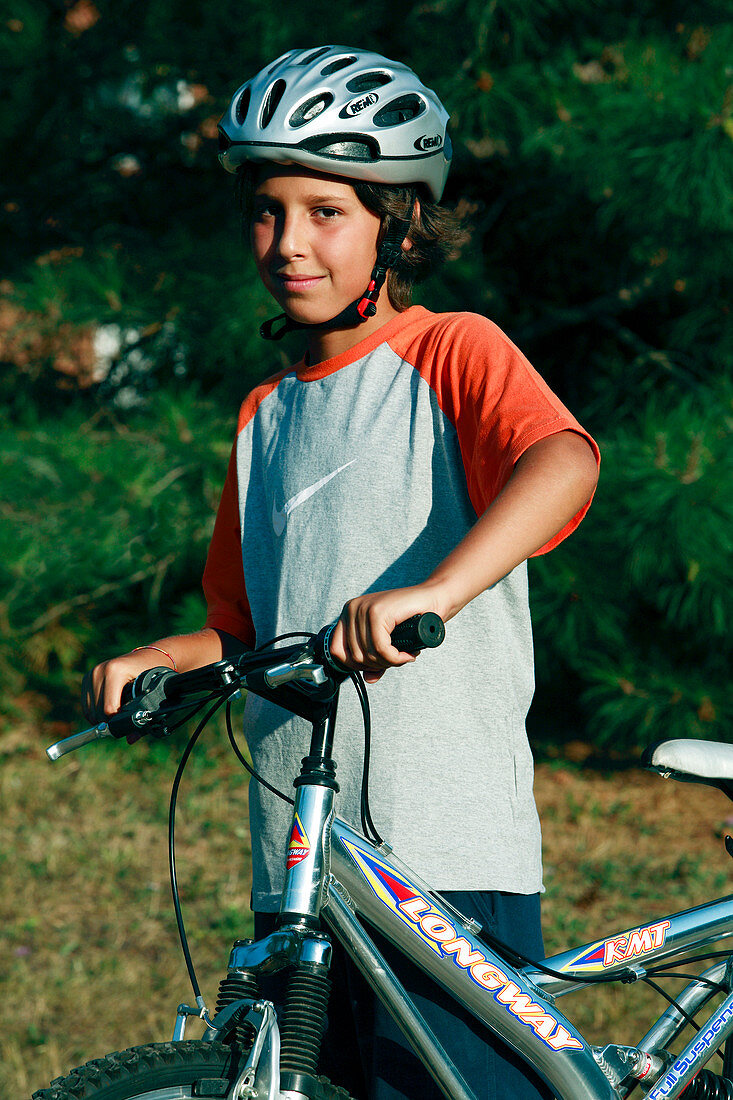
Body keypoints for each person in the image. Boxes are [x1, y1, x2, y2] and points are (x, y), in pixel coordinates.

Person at [83, 46, 600, 1100]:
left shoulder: (453, 350)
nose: (288, 242)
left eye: (326, 211)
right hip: (303, 860)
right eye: (267, 212)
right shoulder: (263, 416)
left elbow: (562, 461)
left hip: (442, 847)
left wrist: (433, 591)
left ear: (397, 224)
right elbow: (239, 622)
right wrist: (151, 657)